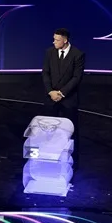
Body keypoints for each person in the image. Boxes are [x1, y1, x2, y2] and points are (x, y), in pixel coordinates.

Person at [41, 28, 85, 165]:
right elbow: (45, 73)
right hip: (51, 97)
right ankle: (49, 155)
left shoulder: (77, 55)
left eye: (57, 39)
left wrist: (61, 93)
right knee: (48, 128)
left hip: (68, 98)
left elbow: (76, 77)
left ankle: (72, 160)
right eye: (54, 39)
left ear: (65, 40)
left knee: (70, 129)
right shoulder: (49, 52)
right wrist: (51, 91)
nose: (54, 42)